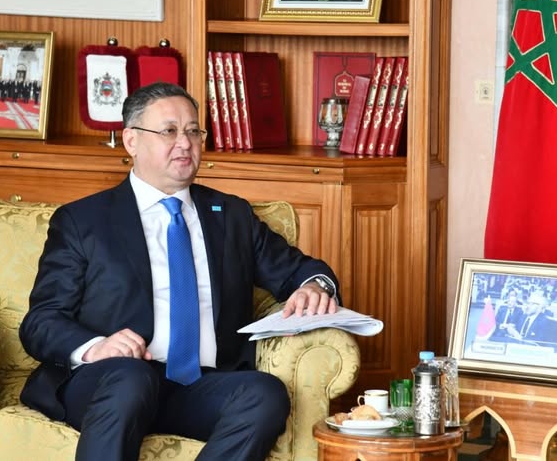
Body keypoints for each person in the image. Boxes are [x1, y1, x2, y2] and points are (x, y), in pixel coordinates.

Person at [18, 81, 341, 461]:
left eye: (193, 131)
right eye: (169, 131)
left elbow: (299, 270)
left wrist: (315, 287)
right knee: (131, 377)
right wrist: (96, 347)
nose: (185, 143)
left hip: (200, 385)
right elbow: (41, 321)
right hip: (111, 381)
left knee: (263, 394)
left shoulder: (231, 215)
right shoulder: (83, 220)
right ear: (131, 141)